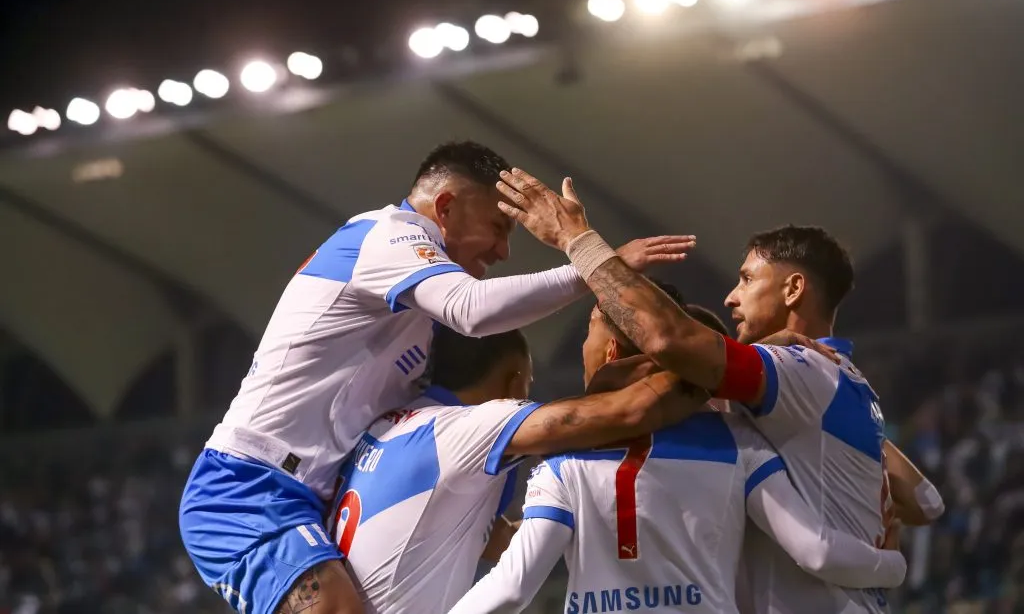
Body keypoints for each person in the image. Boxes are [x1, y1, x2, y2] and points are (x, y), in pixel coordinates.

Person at [178, 143, 695, 614]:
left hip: (313, 493)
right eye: (500, 227)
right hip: (248, 487)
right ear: (445, 207)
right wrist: (592, 261)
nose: (503, 251)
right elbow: (470, 310)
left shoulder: (418, 334)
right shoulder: (385, 235)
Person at [490, 168, 943, 613]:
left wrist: (579, 241)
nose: (730, 297)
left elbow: (669, 340)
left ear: (793, 289)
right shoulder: (847, 385)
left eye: (747, 279)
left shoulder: (796, 370)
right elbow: (927, 502)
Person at [447, 294, 908, 614]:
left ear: (610, 351)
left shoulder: (563, 462)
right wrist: (893, 564)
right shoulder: (739, 444)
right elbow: (817, 552)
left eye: (589, 330)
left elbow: (510, 589)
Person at [328, 314, 709, 614]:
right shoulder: (464, 429)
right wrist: (709, 362)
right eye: (528, 382)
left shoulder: (384, 428)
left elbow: (490, 541)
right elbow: (623, 413)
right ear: (513, 384)